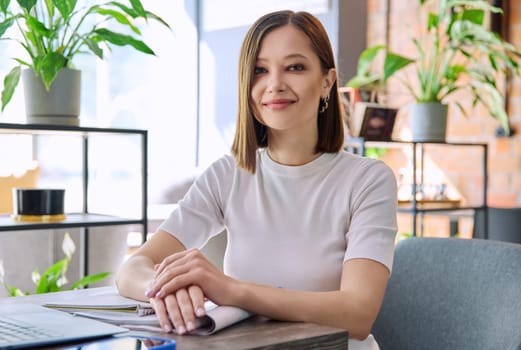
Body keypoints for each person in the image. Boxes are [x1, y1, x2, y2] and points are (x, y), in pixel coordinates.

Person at [116, 9, 398, 349]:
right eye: (260, 71)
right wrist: (170, 288)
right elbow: (132, 269)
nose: (274, 84)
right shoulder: (229, 174)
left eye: (295, 67)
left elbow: (357, 313)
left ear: (327, 81)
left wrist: (231, 290)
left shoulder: (367, 180)